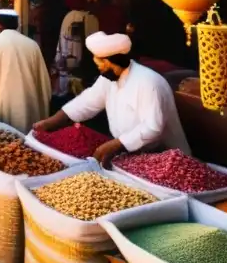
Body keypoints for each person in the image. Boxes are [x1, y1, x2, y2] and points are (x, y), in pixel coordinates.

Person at [33, 32, 190, 167]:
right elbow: (86, 102)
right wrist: (50, 122)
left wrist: (113, 145)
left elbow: (153, 128)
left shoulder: (149, 82)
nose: (99, 68)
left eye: (101, 63)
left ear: (113, 60)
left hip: (164, 157)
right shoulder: (109, 78)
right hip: (129, 156)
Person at [0, 10, 51, 134]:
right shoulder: (32, 45)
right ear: (17, 24)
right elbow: (45, 85)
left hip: (7, 111)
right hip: (32, 111)